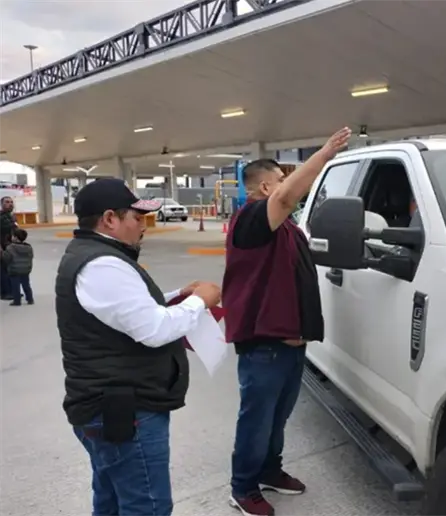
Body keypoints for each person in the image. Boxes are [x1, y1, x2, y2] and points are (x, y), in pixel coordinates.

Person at [55, 177, 222, 516]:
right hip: (124, 412)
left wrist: (176, 297)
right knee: (146, 506)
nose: (144, 226)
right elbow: (154, 329)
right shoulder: (102, 264)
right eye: (137, 217)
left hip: (111, 407)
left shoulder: (96, 256)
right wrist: (199, 303)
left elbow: (123, 312)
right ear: (109, 219)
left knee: (113, 500)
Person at [222, 127, 352, 516]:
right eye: (279, 180)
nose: (287, 188)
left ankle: (268, 470)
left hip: (292, 345)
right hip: (265, 347)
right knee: (257, 419)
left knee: (277, 418)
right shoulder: (250, 222)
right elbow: (288, 194)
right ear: (264, 189)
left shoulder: (289, 230)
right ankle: (243, 487)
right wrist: (325, 153)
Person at [1, 228, 34, 305]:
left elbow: (7, 258)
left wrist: (2, 252)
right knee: (26, 285)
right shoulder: (28, 247)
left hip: (14, 270)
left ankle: (17, 301)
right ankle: (30, 299)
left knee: (15, 286)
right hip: (25, 270)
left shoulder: (10, 247)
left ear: (15, 238)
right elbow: (31, 256)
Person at [0, 195, 17, 300]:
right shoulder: (1, 217)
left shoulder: (11, 216)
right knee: (3, 270)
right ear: (2, 204)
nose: (10, 204)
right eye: (7, 202)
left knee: (10, 269)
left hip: (10, 246)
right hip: (2, 247)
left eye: (11, 202)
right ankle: (5, 292)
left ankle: (12, 290)